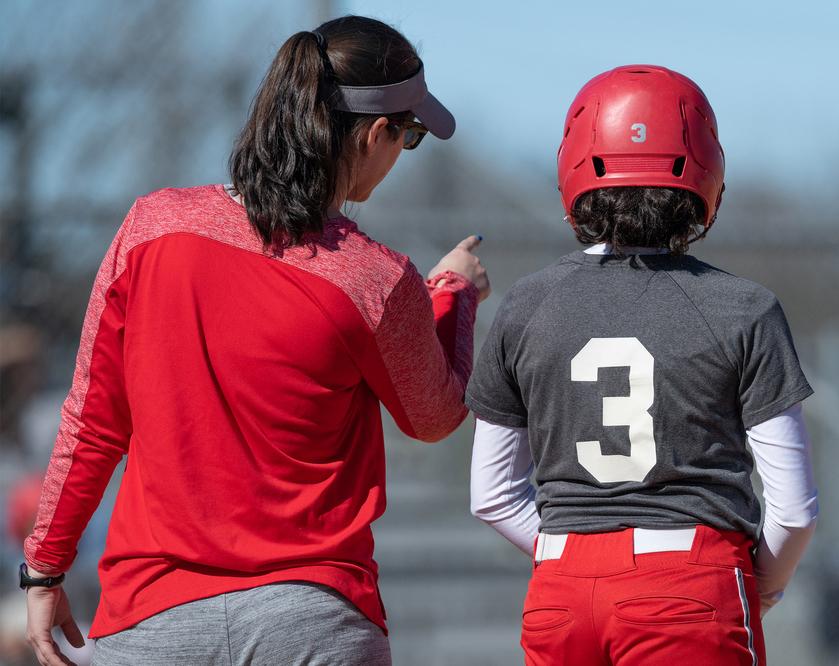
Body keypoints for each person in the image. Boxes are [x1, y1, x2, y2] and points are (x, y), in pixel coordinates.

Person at [22, 15, 489, 666]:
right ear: (377, 133)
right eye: (408, 137)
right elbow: (434, 415)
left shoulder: (150, 228)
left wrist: (45, 567)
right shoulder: (374, 278)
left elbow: (93, 419)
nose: (400, 153)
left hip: (152, 617)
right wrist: (453, 296)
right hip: (313, 619)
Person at [466, 65, 818, 664]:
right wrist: (756, 583)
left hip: (561, 595)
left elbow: (491, 495)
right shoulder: (744, 308)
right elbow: (794, 509)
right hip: (689, 585)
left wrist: (578, 554)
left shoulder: (526, 304)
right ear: (705, 173)